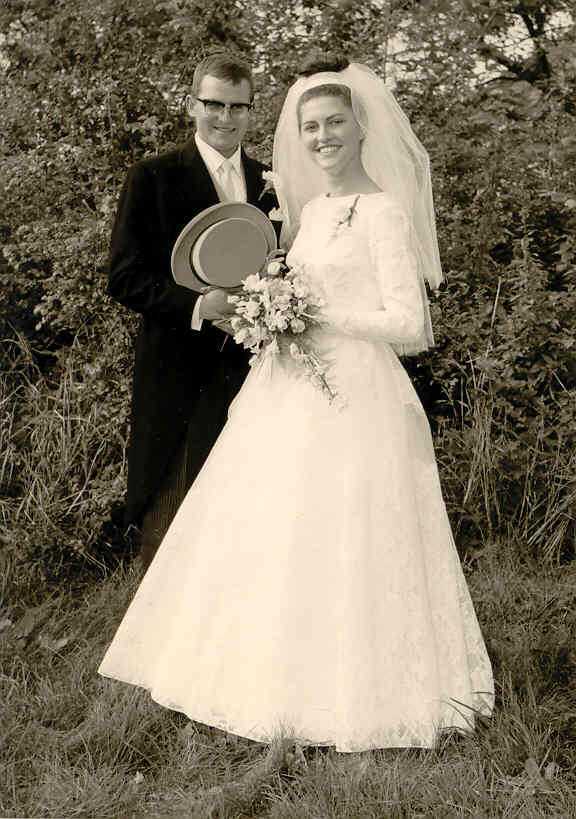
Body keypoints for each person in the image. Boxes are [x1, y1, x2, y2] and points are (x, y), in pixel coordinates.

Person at [99, 55, 494, 752]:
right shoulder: (308, 211)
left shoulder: (384, 213)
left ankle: (357, 684)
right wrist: (275, 309)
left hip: (356, 394)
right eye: (311, 126)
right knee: (276, 526)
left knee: (350, 532)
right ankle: (266, 672)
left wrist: (314, 315)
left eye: (334, 123)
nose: (321, 137)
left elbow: (409, 322)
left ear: (361, 127)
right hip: (286, 387)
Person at [108, 51, 277, 570]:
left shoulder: (272, 181)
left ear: (251, 110)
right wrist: (200, 304)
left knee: (249, 511)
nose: (225, 118)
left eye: (238, 107)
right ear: (191, 105)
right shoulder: (152, 177)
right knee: (168, 515)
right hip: (176, 373)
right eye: (213, 105)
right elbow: (124, 277)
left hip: (254, 374)